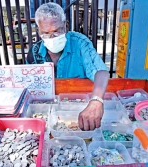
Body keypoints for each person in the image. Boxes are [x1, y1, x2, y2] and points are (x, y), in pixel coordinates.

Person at [26, 2, 110, 131]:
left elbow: (101, 72)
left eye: (56, 31)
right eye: (45, 33)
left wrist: (96, 101)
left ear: (66, 26)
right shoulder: (34, 53)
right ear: (38, 31)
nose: (51, 37)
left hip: (78, 109)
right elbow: (29, 87)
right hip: (49, 114)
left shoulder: (80, 43)